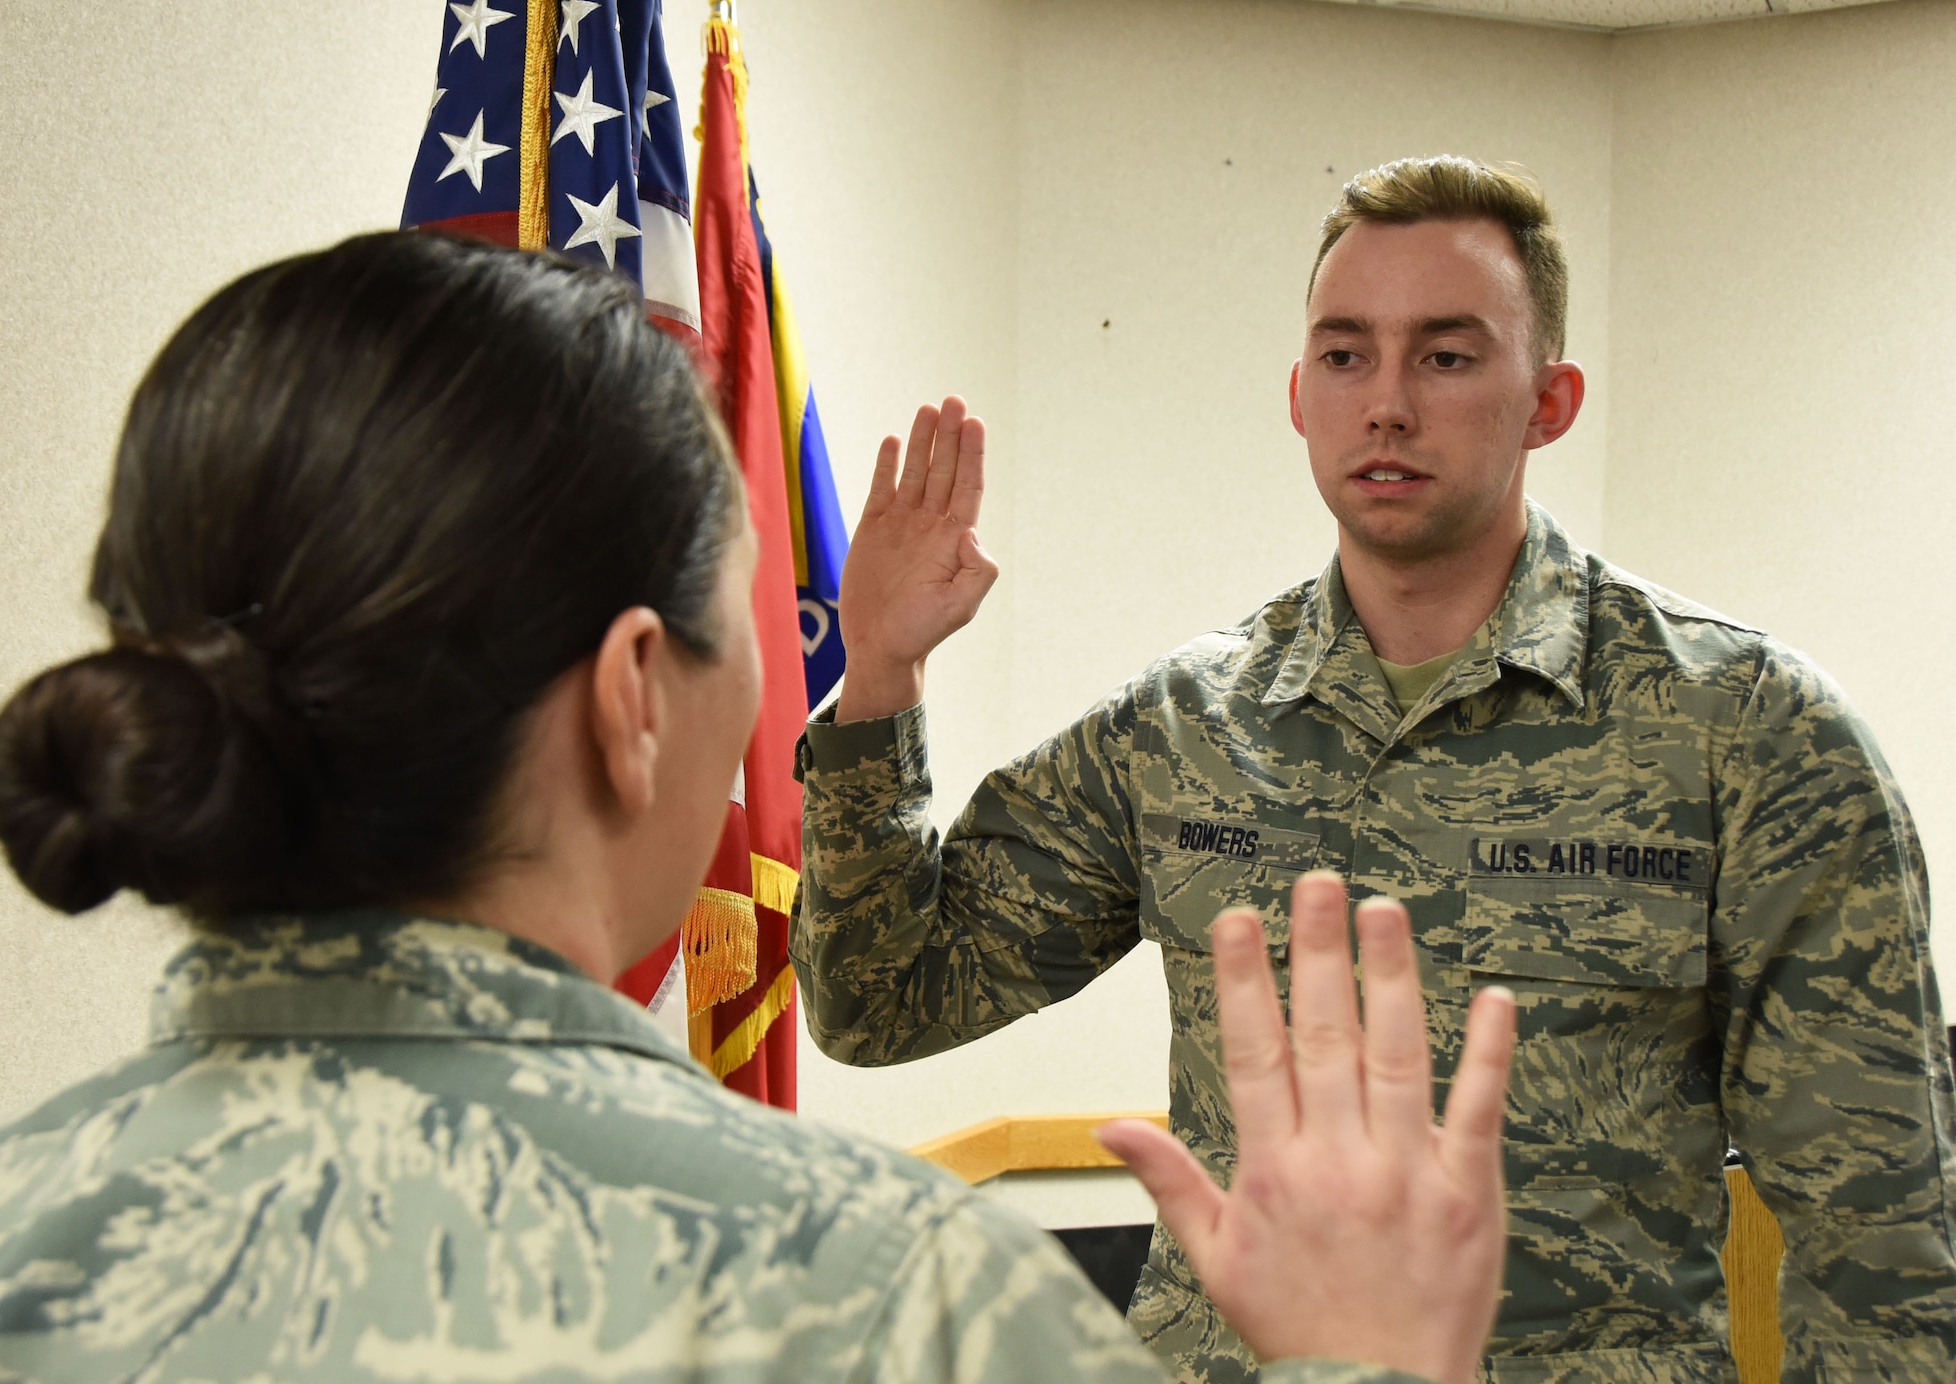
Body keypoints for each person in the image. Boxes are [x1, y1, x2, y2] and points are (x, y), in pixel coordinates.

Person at [0, 230, 1519, 1384]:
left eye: (1447, 353)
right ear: (637, 697)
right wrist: (1369, 1365)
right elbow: (885, 990)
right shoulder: (887, 1303)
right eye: (755, 623)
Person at [794, 155, 1956, 1382]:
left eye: (1445, 357)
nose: (1386, 404)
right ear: (1299, 395)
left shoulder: (1749, 733)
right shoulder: (1184, 724)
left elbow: (1876, 1235)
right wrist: (880, 680)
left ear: (1548, 399)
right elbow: (883, 1003)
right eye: (1346, 356)